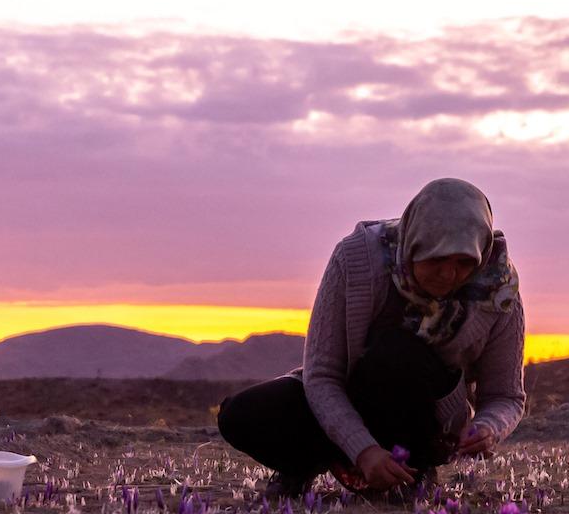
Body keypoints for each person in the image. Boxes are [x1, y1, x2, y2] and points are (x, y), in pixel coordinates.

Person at [216, 178, 526, 496]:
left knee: (397, 352)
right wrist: (363, 450)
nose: (449, 275)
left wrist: (488, 427)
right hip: (353, 393)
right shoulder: (356, 260)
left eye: (464, 263)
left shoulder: (497, 290)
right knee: (242, 414)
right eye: (436, 260)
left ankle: (414, 470)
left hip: (428, 419)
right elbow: (322, 376)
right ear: (414, 245)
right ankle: (310, 466)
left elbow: (506, 396)